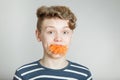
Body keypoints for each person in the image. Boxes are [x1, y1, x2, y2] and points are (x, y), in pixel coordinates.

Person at [13, 5, 92, 80]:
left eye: (65, 32)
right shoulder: (22, 75)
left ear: (71, 36)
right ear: (38, 35)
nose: (58, 39)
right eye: (50, 32)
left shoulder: (84, 75)